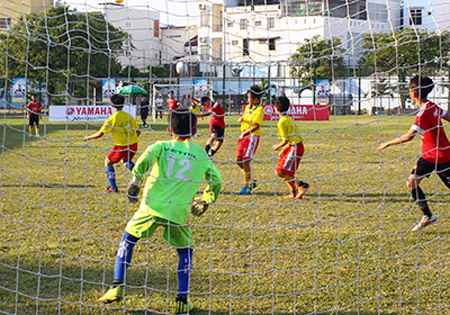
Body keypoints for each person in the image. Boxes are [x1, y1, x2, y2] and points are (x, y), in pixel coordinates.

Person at [99, 109, 222, 315]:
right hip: (180, 212)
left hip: (151, 206)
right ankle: (182, 299)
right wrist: (207, 199)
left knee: (128, 240)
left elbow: (142, 162)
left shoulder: (161, 146)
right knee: (185, 252)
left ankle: (116, 286)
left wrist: (135, 184)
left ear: (168, 129)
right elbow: (216, 180)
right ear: (194, 130)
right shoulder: (201, 153)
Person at [378, 75, 450, 231]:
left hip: (441, 156)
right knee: (412, 182)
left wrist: (387, 142)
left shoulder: (424, 113)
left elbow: (408, 137)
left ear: (413, 93)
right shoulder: (433, 106)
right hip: (429, 156)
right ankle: (428, 216)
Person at [84, 94, 141, 193]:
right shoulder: (129, 117)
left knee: (108, 162)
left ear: (112, 105)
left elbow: (100, 134)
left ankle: (113, 187)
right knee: (125, 161)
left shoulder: (112, 119)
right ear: (123, 105)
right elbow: (138, 132)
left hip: (121, 146)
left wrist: (88, 137)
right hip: (134, 145)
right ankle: (138, 174)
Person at [272, 96, 309, 199]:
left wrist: (277, 147)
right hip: (295, 146)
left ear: (276, 109)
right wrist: (284, 151)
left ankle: (302, 185)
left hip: (295, 148)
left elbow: (285, 141)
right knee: (281, 171)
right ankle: (294, 192)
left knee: (280, 172)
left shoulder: (282, 122)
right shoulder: (289, 119)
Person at [236, 86, 264, 195]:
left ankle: (246, 186)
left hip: (252, 137)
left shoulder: (260, 109)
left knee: (246, 160)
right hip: (244, 136)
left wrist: (246, 132)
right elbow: (245, 117)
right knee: (238, 160)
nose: (248, 100)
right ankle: (251, 181)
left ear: (256, 99)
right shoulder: (248, 107)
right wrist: (241, 119)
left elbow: (256, 125)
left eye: (249, 98)